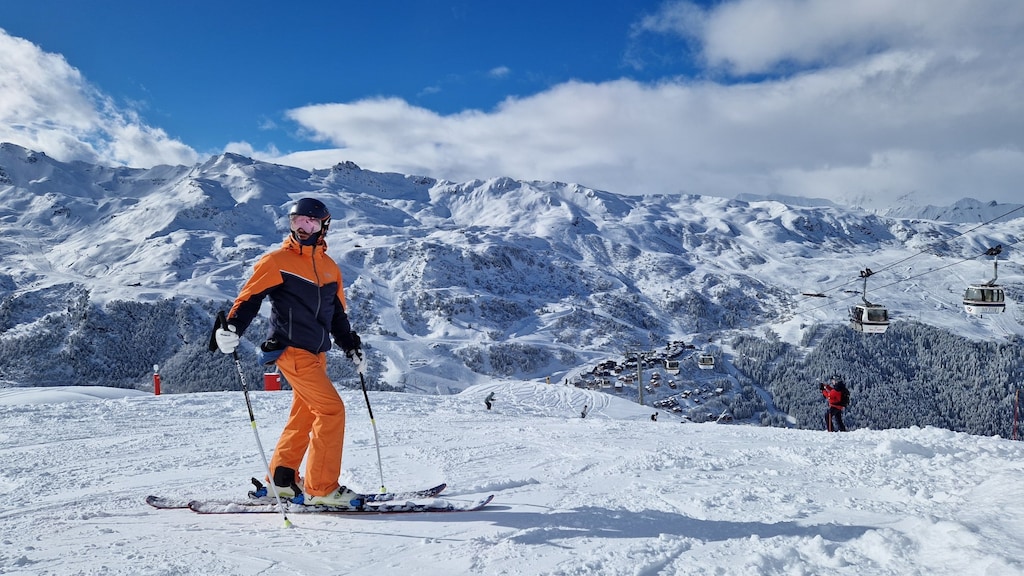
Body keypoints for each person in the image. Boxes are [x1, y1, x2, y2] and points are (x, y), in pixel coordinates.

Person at [214, 197, 364, 507]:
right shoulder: (278, 261)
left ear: (324, 226)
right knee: (331, 410)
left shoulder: (329, 267)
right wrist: (230, 329)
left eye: (310, 223)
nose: (302, 229)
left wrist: (351, 346)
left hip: (316, 354)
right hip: (292, 352)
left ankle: (282, 479)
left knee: (306, 413)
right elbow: (249, 299)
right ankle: (322, 489)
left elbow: (336, 315)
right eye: (297, 222)